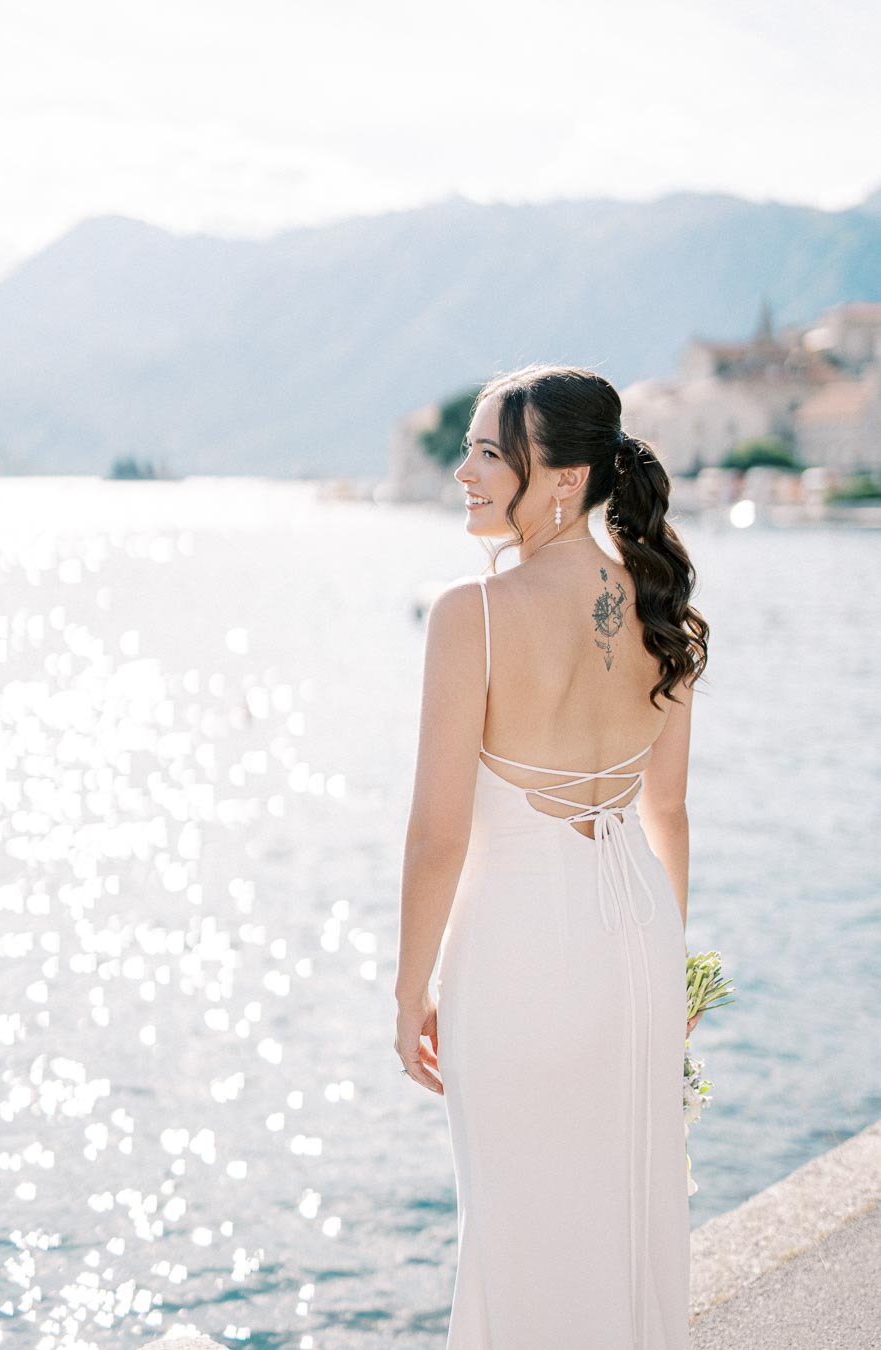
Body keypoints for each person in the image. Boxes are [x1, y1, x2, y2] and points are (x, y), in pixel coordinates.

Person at [394, 363, 709, 1349]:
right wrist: (671, 974)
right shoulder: (661, 604)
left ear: (562, 477)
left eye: (491, 451)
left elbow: (439, 833)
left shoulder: (472, 614)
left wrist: (410, 996)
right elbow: (670, 810)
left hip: (520, 952)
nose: (466, 472)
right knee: (624, 1216)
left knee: (517, 1228)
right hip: (636, 944)